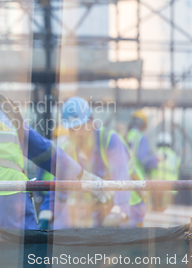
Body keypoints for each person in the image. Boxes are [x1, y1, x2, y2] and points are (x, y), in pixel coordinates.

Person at [0, 50, 110, 231]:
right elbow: (43, 149)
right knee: (24, 254)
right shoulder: (5, 107)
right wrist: (83, 176)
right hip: (17, 193)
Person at [60, 97, 145, 227]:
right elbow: (62, 190)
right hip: (100, 212)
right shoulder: (70, 149)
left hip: (129, 210)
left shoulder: (110, 140)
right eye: (72, 129)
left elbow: (121, 180)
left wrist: (118, 211)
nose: (76, 133)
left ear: (91, 122)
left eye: (79, 127)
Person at [150, 132, 181, 211]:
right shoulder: (174, 156)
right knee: (166, 212)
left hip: (157, 187)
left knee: (156, 212)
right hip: (171, 188)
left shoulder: (156, 153)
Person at [126, 110, 158, 175]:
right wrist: (156, 159)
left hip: (124, 175)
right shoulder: (141, 137)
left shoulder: (125, 135)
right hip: (136, 176)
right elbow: (143, 159)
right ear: (144, 125)